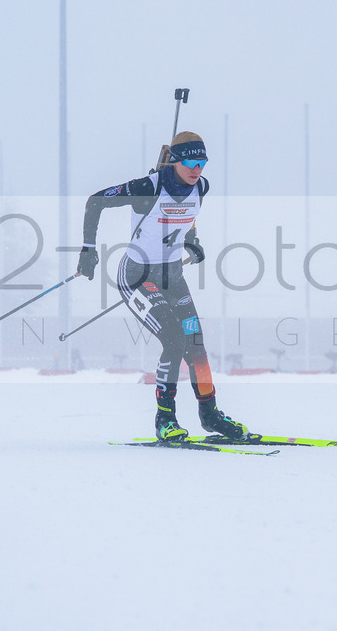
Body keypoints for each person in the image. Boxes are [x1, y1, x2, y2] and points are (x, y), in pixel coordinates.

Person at [76, 131, 248, 441]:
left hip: (172, 278)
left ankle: (210, 415)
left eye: (203, 162)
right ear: (177, 161)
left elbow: (188, 217)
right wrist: (88, 249)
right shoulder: (147, 188)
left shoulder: (201, 187)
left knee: (196, 345)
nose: (198, 169)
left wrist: (192, 243)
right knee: (174, 339)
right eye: (192, 162)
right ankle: (165, 419)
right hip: (137, 277)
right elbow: (95, 202)